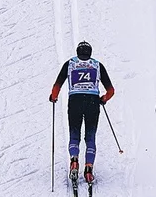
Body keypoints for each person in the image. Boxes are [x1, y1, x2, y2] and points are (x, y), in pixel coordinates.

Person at [48, 41, 114, 187]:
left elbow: (57, 85)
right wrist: (103, 99)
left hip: (75, 101)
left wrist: (54, 97)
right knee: (90, 136)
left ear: (78, 51)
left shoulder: (70, 63)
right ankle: (89, 169)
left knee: (74, 133)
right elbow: (111, 91)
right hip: (92, 102)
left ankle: (74, 161)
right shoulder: (97, 65)